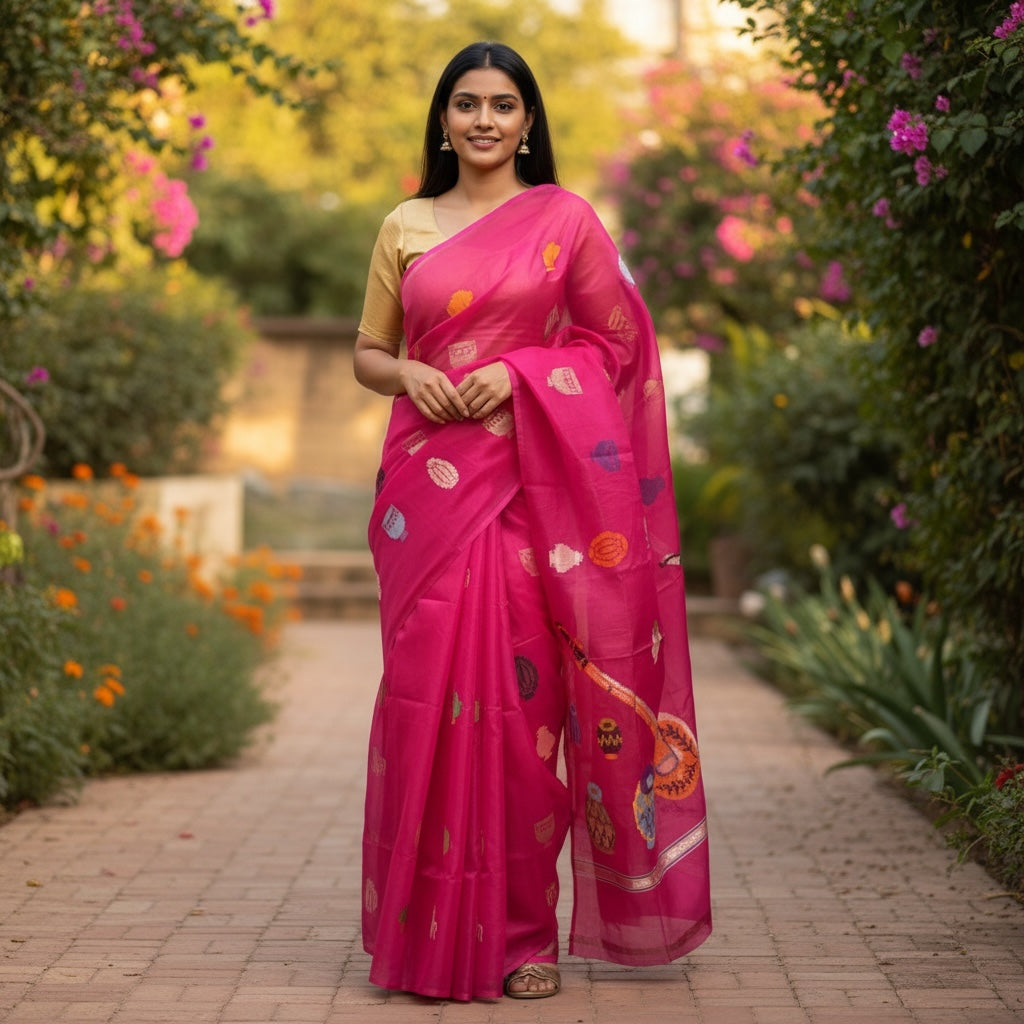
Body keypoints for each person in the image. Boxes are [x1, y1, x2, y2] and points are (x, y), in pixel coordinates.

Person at [353, 41, 712, 1002]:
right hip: (426, 495)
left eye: (502, 105)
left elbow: (616, 343)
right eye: (467, 103)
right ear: (443, 120)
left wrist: (519, 379)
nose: (484, 120)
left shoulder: (564, 220)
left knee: (523, 721)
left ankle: (520, 939)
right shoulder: (404, 224)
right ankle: (422, 938)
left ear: (527, 122)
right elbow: (367, 351)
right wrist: (409, 372)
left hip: (528, 495)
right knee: (423, 706)